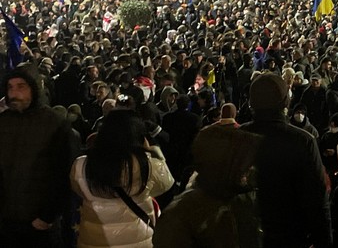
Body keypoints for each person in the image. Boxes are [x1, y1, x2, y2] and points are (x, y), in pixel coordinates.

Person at [240, 73, 331, 248]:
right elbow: (317, 200)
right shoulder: (302, 140)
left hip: (246, 234)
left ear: (252, 103)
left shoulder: (238, 138)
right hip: (290, 235)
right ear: (285, 102)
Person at [71, 110, 175, 248]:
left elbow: (79, 189)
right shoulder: (148, 166)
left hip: (95, 240)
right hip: (138, 240)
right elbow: (165, 184)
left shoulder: (81, 165)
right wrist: (153, 151)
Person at [0, 67, 76, 248]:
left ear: (34, 89)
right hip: (6, 220)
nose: (14, 94)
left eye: (21, 87)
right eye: (10, 88)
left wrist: (48, 215)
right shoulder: (3, 122)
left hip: (38, 223)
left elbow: (64, 173)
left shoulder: (55, 124)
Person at [152, 126, 261, 248]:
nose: (250, 168)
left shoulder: (243, 199)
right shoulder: (182, 214)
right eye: (243, 163)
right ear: (222, 164)